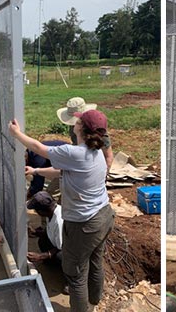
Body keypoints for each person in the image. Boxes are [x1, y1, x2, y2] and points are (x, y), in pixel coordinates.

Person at [9, 110, 115, 312]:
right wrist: (36, 171)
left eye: (78, 121)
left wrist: (16, 134)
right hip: (104, 215)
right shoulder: (96, 153)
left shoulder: (73, 152)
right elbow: (61, 171)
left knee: (75, 274)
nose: (74, 122)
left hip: (84, 224)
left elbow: (38, 147)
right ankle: (94, 302)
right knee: (95, 260)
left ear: (81, 128)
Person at [57, 97, 114, 171]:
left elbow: (108, 155)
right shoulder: (73, 128)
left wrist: (104, 173)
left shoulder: (97, 130)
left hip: (95, 163)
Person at [26, 191, 64, 264]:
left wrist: (40, 256)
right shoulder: (50, 212)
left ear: (41, 211)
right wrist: (36, 232)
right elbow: (51, 232)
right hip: (58, 244)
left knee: (59, 257)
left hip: (66, 250)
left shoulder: (59, 222)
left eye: (36, 210)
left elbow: (62, 248)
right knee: (42, 241)